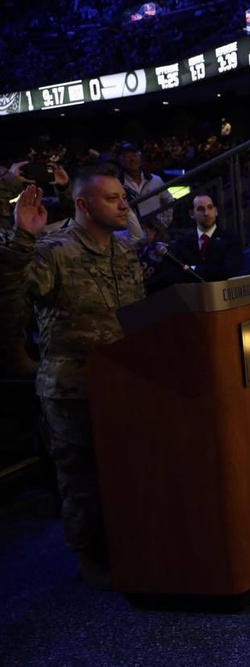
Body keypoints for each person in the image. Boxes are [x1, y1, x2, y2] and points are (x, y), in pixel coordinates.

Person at [0, 167, 146, 589]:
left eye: (124, 197)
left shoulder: (126, 252)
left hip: (124, 383)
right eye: (113, 198)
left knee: (126, 471)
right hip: (72, 388)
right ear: (82, 204)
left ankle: (129, 545)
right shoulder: (52, 250)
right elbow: (9, 293)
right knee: (81, 479)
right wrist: (23, 239)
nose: (124, 205)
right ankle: (91, 557)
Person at [166, 193, 244, 284]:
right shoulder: (182, 243)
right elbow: (176, 275)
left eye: (210, 208)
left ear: (216, 211)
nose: (206, 213)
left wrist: (194, 269)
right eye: (200, 209)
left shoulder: (230, 239)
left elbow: (229, 271)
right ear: (192, 214)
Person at [119, 143, 173, 228]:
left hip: (155, 233)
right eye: (127, 156)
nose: (132, 159)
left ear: (140, 158)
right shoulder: (117, 183)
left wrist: (163, 224)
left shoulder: (155, 180)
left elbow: (168, 201)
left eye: (135, 155)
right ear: (121, 160)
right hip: (130, 235)